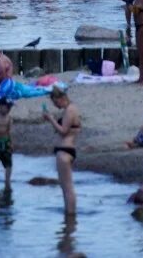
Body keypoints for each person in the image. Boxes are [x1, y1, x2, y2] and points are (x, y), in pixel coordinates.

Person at [44, 82, 80, 217]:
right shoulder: (70, 110)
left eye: (56, 103)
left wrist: (51, 119)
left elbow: (63, 131)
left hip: (65, 150)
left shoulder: (70, 110)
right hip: (66, 150)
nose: (56, 106)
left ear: (61, 98)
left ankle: (70, 216)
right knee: (65, 187)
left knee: (67, 187)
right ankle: (69, 218)